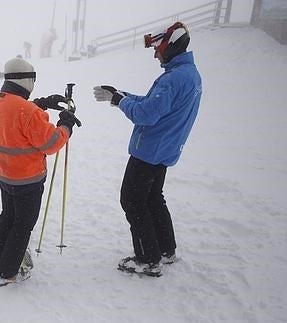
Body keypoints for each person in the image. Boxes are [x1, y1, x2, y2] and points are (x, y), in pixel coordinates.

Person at [93, 22, 201, 277]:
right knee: (152, 198)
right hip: (164, 150)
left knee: (132, 200)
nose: (155, 54)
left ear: (170, 47)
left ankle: (148, 259)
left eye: (158, 49)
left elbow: (146, 114)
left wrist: (119, 101)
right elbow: (156, 105)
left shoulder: (173, 79)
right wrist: (121, 94)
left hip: (148, 152)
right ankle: (166, 250)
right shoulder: (189, 74)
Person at [0, 57, 79, 286]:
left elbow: (15, 113)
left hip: (3, 173)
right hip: (27, 179)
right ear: (27, 80)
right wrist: (66, 126)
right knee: (23, 224)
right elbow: (52, 143)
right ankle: (7, 273)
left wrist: (40, 103)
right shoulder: (28, 111)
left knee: (8, 216)